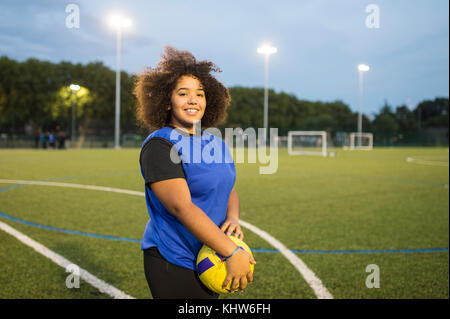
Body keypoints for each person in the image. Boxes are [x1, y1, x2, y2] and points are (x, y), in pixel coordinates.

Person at [134, 46, 255, 299]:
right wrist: (232, 251)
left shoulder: (215, 142)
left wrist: (233, 219)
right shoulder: (160, 145)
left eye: (199, 94)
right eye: (183, 93)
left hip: (211, 254)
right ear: (166, 101)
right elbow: (182, 207)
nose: (193, 100)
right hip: (175, 258)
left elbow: (227, 188)